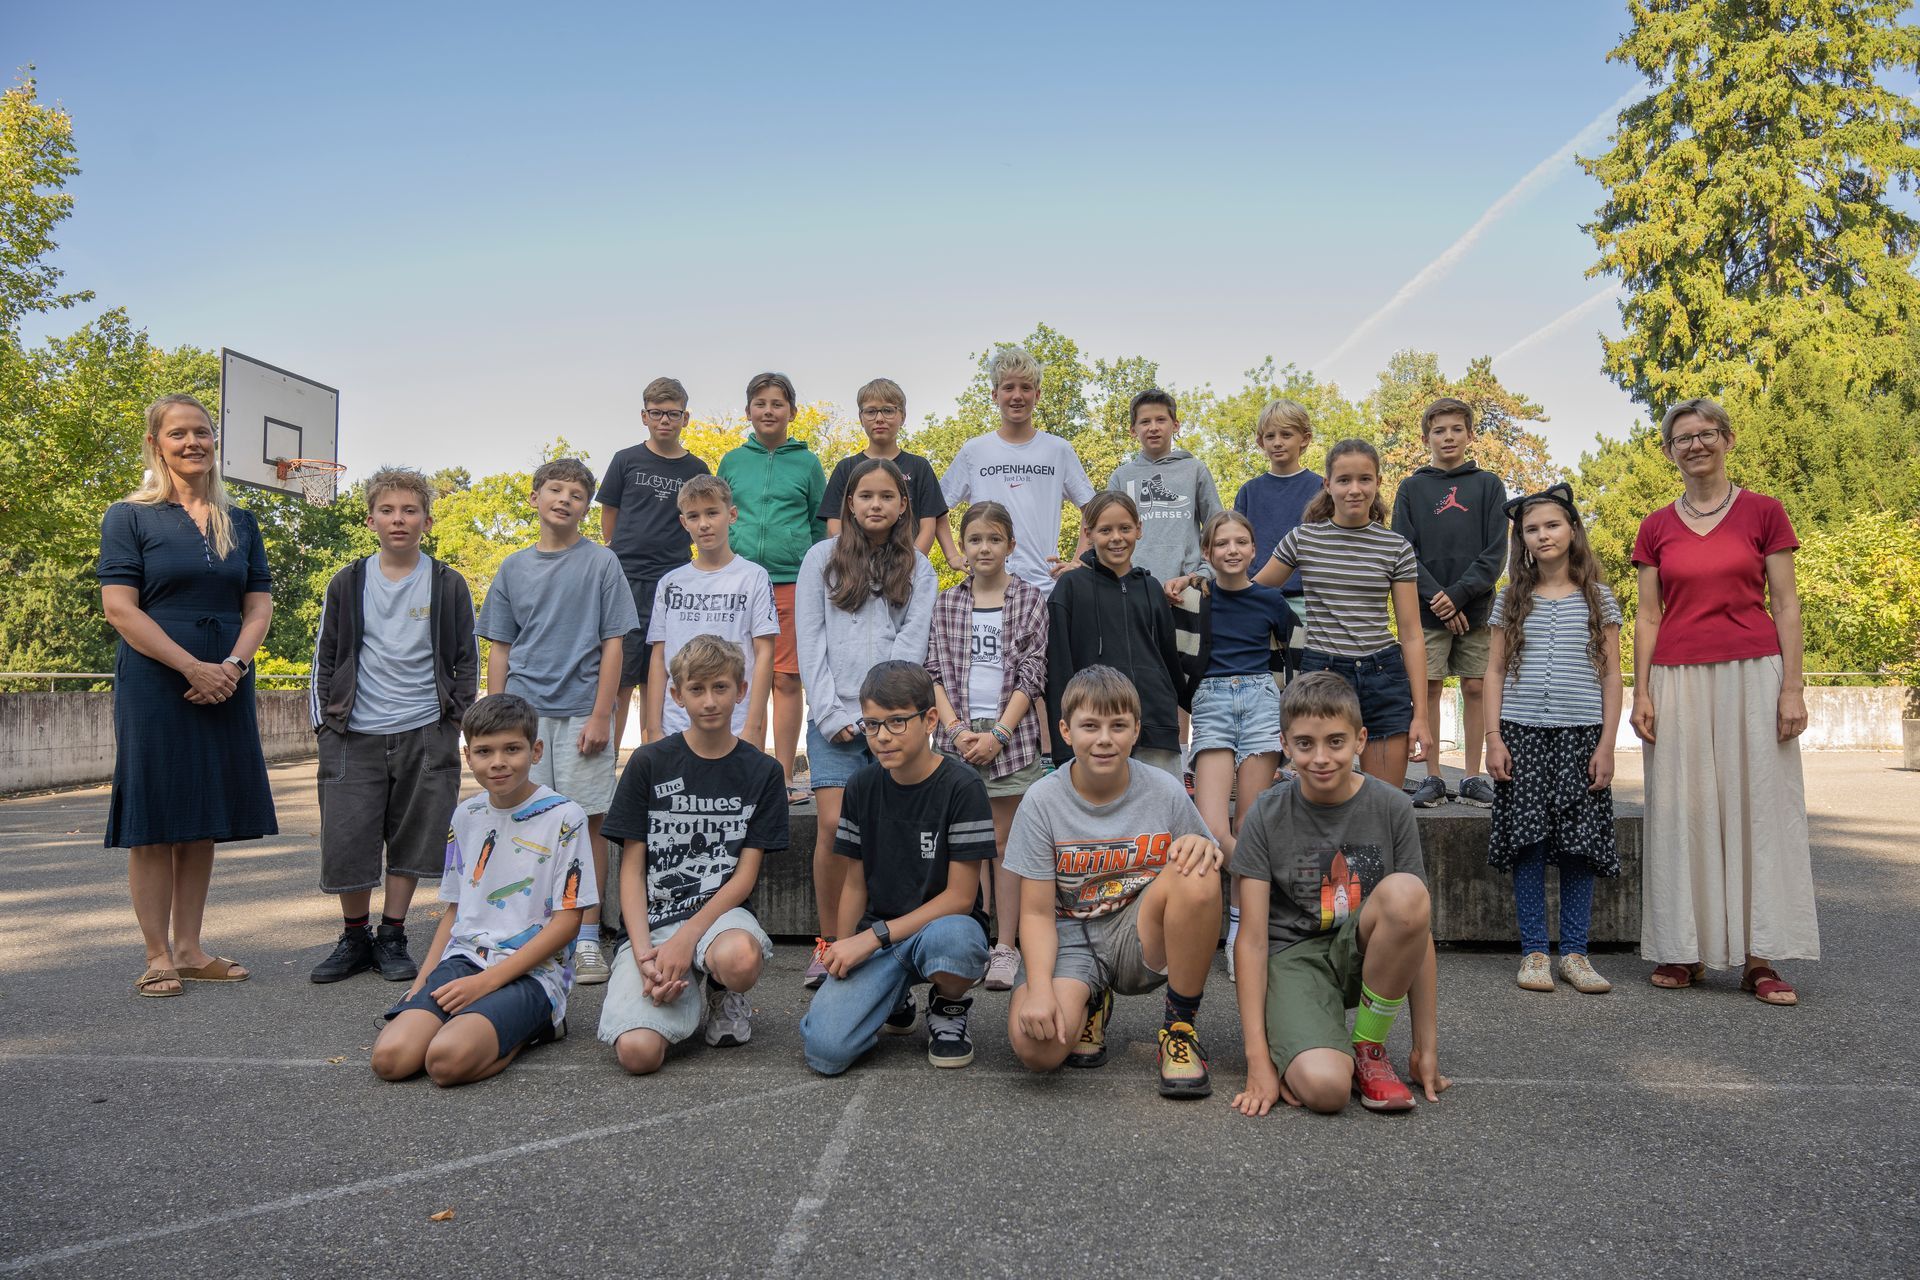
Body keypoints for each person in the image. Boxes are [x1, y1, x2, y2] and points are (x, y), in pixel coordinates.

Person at [1630, 398, 1817, 1005]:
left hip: (1754, 675)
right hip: (1677, 679)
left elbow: (1786, 604)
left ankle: (1759, 959)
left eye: (1706, 434)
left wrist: (1793, 684)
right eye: (1683, 438)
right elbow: (1648, 615)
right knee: (1682, 813)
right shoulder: (1655, 526)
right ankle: (1684, 950)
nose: (1695, 445)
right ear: (1669, 451)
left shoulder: (1764, 512)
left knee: (1756, 808)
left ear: (1727, 440)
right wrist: (1642, 690)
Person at [99, 393, 275, 998]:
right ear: (156, 444)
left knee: (199, 820)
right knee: (153, 821)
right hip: (155, 682)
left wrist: (230, 665)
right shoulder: (129, 517)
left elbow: (258, 606)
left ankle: (191, 949)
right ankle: (156, 956)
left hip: (226, 679)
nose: (192, 442)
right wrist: (190, 667)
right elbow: (120, 608)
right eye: (178, 434)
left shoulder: (242, 522)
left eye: (202, 432)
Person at [1229, 674, 1449, 1116]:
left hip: (1362, 952)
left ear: (1360, 739)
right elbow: (1251, 940)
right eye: (1305, 744)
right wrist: (1258, 1061)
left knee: (1407, 894)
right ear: (1285, 745)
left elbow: (1417, 930)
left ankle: (1368, 1047)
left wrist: (1427, 1046)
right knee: (1326, 1091)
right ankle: (1310, 1046)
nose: (1321, 757)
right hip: (1294, 957)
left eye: (1335, 742)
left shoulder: (1392, 807)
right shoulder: (1265, 815)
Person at [1006, 666, 1224, 1099]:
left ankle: (1179, 1028)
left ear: (1136, 730)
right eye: (1090, 726)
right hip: (1071, 935)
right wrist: (1040, 990)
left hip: (1136, 931)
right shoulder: (1041, 801)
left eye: (1118, 725)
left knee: (1198, 872)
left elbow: (1211, 850)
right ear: (1065, 731)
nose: (1104, 739)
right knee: (1037, 1049)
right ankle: (1091, 998)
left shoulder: (1163, 790)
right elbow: (1033, 913)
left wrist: (1205, 847)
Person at [309, 466, 478, 984]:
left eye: (409, 510)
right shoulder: (349, 581)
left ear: (426, 520)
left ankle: (392, 935)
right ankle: (354, 935)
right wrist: (325, 725)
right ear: (370, 519)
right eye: (388, 510)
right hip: (353, 730)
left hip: (426, 728)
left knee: (412, 839)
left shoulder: (448, 584)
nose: (398, 519)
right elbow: (326, 654)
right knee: (349, 837)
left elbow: (466, 659)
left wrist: (456, 720)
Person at [370, 693, 591, 1086]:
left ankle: (540, 1026)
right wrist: (422, 982)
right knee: (391, 1060)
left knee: (445, 1062)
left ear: (535, 750)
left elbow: (567, 923)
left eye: (512, 749)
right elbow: (456, 912)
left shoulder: (565, 816)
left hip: (533, 973)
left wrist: (486, 984)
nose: (498, 762)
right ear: (468, 756)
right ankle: (477, 1024)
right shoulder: (467, 815)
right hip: (466, 960)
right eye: (484, 751)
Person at [477, 457, 639, 984]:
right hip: (524, 716)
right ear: (535, 497)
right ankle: (530, 932)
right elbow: (501, 649)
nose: (564, 499)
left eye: (576, 493)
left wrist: (602, 714)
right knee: (526, 823)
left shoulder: (601, 564)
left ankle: (587, 936)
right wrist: (492, 721)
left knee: (588, 821)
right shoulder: (513, 568)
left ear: (586, 506)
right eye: (555, 489)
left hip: (580, 714)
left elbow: (614, 643)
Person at [598, 636, 790, 1073]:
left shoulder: (761, 772)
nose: (709, 701)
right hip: (655, 923)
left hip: (721, 919)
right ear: (676, 694)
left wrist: (687, 941)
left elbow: (743, 878)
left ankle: (724, 990)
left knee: (739, 960)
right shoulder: (648, 763)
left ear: (741, 691)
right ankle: (671, 985)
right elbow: (631, 869)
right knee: (638, 1056)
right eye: (697, 689)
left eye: (721, 688)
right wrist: (647, 955)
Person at [800, 662, 995, 1074]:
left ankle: (948, 1005)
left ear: (929, 719)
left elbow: (961, 898)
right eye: (871, 725)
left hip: (940, 928)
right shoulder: (861, 787)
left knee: (958, 942)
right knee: (825, 1051)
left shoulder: (963, 787)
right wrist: (843, 945)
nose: (882, 736)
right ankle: (894, 996)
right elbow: (854, 883)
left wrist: (871, 938)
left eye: (896, 722)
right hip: (879, 935)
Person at [794, 457, 938, 987]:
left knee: (887, 833)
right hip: (834, 719)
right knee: (834, 827)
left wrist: (883, 717)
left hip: (892, 719)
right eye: (865, 497)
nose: (875, 505)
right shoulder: (820, 559)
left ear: (903, 505)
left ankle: (876, 939)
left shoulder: (919, 568)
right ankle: (829, 942)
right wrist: (832, 713)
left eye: (886, 497)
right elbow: (810, 641)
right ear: (849, 504)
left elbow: (911, 644)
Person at [1484, 484, 1623, 995]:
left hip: (1581, 736)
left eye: (1552, 525)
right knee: (1529, 843)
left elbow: (1611, 676)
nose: (1543, 535)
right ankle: (1535, 953)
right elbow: (1494, 670)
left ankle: (1577, 954)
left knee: (1578, 847)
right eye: (1531, 529)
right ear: (1521, 540)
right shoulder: (1512, 598)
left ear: (1572, 531)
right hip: (1521, 735)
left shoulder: (1597, 598)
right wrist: (1493, 738)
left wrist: (1606, 744)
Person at [1254, 438, 1434, 789]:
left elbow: (1412, 635)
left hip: (1384, 676)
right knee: (1323, 804)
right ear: (1328, 485)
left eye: (1365, 479)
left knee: (1383, 802)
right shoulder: (1303, 539)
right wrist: (1200, 580)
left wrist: (1422, 716)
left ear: (1378, 483)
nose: (1355, 489)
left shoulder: (1395, 547)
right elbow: (1253, 591)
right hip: (1322, 674)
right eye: (1344, 480)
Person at [924, 501, 1049, 991]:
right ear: (962, 547)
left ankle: (1006, 945)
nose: (983, 548)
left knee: (1004, 845)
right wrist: (955, 731)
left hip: (1010, 739)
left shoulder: (1029, 600)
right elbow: (933, 672)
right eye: (974, 539)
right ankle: (973, 938)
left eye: (994, 539)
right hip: (957, 738)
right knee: (967, 848)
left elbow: (1033, 670)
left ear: (1010, 546)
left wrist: (999, 732)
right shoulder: (948, 603)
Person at [1175, 511, 1298, 979]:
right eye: (1221, 543)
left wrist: (1291, 717)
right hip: (1211, 700)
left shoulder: (1271, 600)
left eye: (1240, 542)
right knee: (1211, 826)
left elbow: (1296, 656)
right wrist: (1184, 578)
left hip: (1262, 699)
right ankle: (1263, 891)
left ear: (1253, 549)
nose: (1231, 549)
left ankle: (1242, 927)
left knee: (1249, 820)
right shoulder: (1193, 597)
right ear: (1207, 553)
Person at [1391, 398, 1507, 809]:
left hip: (1475, 608)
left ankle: (1473, 775)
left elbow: (1495, 553)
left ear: (1470, 434)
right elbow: (1403, 550)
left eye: (1457, 429)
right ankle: (1435, 775)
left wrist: (1458, 597)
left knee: (1476, 686)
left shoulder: (1488, 485)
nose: (1448, 437)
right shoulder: (1412, 488)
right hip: (1425, 609)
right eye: (1439, 431)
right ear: (1426, 438)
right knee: (1430, 687)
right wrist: (1438, 599)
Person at [719, 371, 826, 802]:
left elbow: (821, 524)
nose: (768, 410)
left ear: (792, 412)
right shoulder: (731, 461)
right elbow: (719, 513)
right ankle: (742, 771)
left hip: (790, 583)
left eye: (777, 403)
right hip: (738, 580)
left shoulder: (808, 462)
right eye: (760, 403)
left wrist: (816, 573)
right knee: (739, 676)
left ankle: (781, 777)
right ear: (748, 412)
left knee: (785, 679)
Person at [598, 377, 711, 751]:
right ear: (644, 416)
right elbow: (610, 512)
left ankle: (652, 758)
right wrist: (617, 551)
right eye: (657, 413)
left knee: (660, 676)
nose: (665, 420)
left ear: (686, 418)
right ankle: (607, 764)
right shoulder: (626, 459)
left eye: (673, 413)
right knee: (620, 677)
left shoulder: (696, 467)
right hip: (627, 579)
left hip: (673, 581)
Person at [1046, 491, 1185, 779]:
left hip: (1155, 730)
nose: (1116, 538)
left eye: (1125, 528)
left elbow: (1170, 663)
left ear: (1139, 529)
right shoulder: (1070, 588)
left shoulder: (1152, 589)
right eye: (1105, 530)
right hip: (1096, 735)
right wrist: (1064, 746)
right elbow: (1058, 668)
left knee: (1158, 820)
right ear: (1089, 534)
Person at [939, 346, 1095, 596]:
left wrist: (1079, 561)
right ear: (994, 394)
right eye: (1008, 387)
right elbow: (936, 506)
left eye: (1026, 388)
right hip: (987, 589)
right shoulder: (974, 451)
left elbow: (1093, 508)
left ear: (1038, 395)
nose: (1017, 396)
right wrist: (952, 556)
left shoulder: (1058, 450)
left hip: (1044, 590)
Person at [641, 475, 779, 743]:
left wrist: (753, 726)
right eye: (693, 516)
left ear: (732, 514)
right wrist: (653, 728)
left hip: (736, 726)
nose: (703, 524)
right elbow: (659, 657)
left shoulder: (754, 577)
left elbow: (764, 654)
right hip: (676, 726)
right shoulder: (670, 583)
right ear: (684, 523)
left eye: (712, 513)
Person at [820, 377, 960, 568]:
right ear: (861, 418)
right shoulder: (846, 468)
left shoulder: (919, 467)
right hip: (855, 568)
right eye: (871, 411)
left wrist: (913, 563)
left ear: (902, 416)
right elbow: (834, 523)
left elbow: (930, 523)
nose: (879, 419)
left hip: (905, 569)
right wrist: (851, 560)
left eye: (888, 410)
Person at [1112, 387, 1224, 593]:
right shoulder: (1121, 477)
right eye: (1145, 421)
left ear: (1175, 425)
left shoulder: (1195, 470)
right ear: (1133, 429)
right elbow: (1107, 534)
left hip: (1188, 587)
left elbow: (1217, 529)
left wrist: (1202, 574)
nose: (1153, 427)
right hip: (1133, 587)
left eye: (1161, 420)